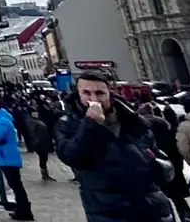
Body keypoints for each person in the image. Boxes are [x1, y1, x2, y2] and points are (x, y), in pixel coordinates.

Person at [57, 71, 174, 222]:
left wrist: (161, 167)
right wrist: (91, 124)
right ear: (78, 94)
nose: (94, 99)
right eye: (86, 93)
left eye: (100, 93)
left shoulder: (132, 119)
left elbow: (155, 153)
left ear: (109, 93)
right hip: (108, 211)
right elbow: (72, 157)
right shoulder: (67, 124)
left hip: (152, 207)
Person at [138, 104, 190, 222]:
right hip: (172, 166)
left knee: (161, 203)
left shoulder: (141, 128)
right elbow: (176, 146)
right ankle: (189, 219)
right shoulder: (166, 125)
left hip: (155, 168)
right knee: (179, 200)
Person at [0, 100, 34, 220]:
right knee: (16, 185)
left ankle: (24, 211)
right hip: (7, 157)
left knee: (16, 186)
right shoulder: (0, 119)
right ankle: (22, 209)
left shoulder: (1, 121)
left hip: (7, 158)